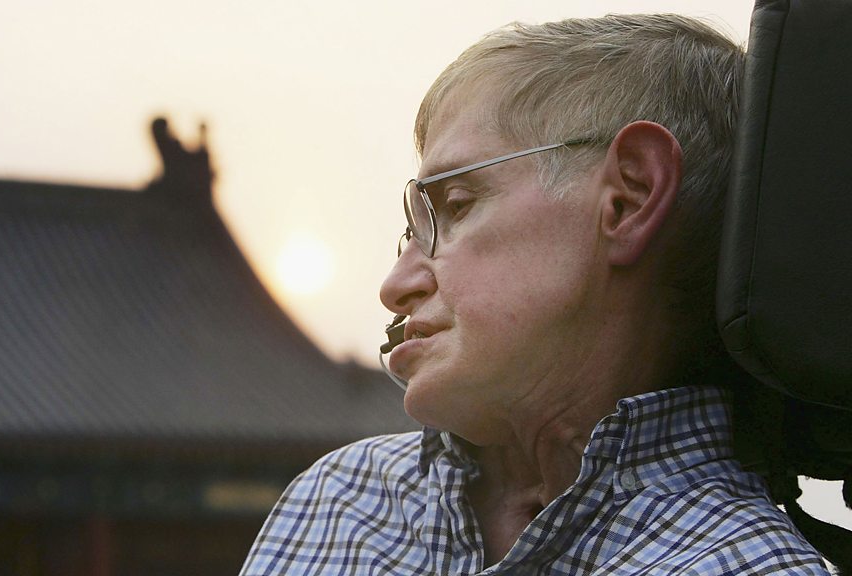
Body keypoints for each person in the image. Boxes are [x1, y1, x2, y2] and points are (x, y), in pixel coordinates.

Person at [241, 13, 832, 575]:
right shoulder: (338, 499)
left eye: (456, 205)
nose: (396, 285)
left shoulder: (743, 564)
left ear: (629, 197)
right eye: (411, 232)